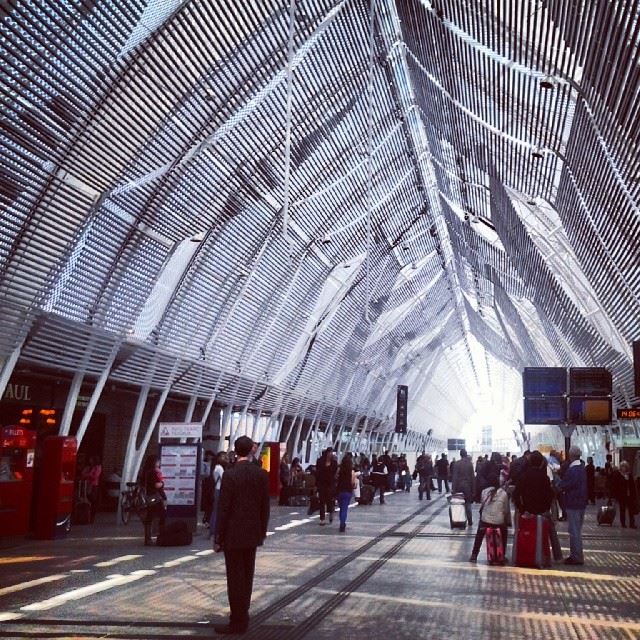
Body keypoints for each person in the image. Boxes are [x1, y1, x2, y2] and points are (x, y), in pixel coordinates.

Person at [214, 436, 270, 635]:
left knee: (234, 577)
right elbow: (265, 507)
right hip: (252, 535)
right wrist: (262, 532)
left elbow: (224, 509)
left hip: (233, 535)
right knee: (247, 576)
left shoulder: (230, 475)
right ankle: (243, 615)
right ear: (252, 450)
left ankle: (237, 620)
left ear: (236, 451)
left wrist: (218, 536)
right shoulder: (262, 475)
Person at [512, 450, 562, 562]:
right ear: (540, 463)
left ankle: (521, 554)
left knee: (520, 530)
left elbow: (516, 494)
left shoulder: (524, 476)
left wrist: (522, 508)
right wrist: (546, 507)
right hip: (542, 512)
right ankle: (557, 556)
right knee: (552, 531)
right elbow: (550, 495)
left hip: (528, 511)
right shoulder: (544, 478)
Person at [469, 474, 510, 563]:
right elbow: (506, 510)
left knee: (479, 535)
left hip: (485, 521)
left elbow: (482, 503)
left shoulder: (484, 492)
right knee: (504, 532)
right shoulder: (504, 494)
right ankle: (502, 555)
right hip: (499, 522)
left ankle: (474, 555)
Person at [558, 445, 588, 566]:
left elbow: (565, 484)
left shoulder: (573, 470)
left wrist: (558, 484)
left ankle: (576, 556)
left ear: (571, 455)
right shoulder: (582, 468)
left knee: (574, 531)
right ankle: (577, 555)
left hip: (573, 503)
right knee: (577, 530)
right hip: (581, 503)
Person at [141, 455, 166, 546]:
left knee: (150, 516)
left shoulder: (146, 472)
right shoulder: (153, 472)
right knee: (162, 515)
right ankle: (161, 537)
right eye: (157, 461)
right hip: (155, 497)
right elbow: (156, 485)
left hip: (149, 496)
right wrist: (162, 483)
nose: (159, 463)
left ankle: (148, 539)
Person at [451, 449, 474, 526]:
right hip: (467, 487)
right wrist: (474, 490)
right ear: (466, 454)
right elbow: (472, 478)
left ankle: (459, 521)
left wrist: (453, 488)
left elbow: (455, 477)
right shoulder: (470, 464)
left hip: (459, 487)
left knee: (459, 504)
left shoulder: (457, 464)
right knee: (468, 504)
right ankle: (470, 521)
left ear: (460, 455)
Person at [209, 451, 229, 539]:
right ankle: (214, 529)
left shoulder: (215, 467)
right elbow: (224, 479)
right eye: (224, 457)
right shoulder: (219, 468)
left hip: (216, 489)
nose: (226, 459)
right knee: (217, 511)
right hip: (219, 490)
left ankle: (212, 529)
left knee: (215, 510)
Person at [612, 461, 637, 528]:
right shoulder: (618, 474)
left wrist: (634, 495)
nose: (624, 468)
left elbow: (632, 485)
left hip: (629, 494)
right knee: (622, 509)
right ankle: (623, 523)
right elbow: (615, 485)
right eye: (623, 466)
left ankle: (632, 523)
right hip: (622, 495)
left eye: (625, 466)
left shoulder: (629, 474)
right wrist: (614, 495)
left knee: (631, 509)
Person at [336, 453, 357, 532]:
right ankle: (342, 523)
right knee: (345, 508)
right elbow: (353, 483)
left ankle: (341, 522)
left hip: (339, 491)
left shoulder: (339, 470)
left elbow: (336, 479)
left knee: (341, 508)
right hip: (347, 491)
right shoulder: (351, 472)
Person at [316, 448, 338, 524]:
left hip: (330, 484)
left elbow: (334, 473)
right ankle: (322, 519)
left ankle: (330, 512)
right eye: (329, 453)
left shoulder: (334, 463)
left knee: (330, 500)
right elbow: (317, 473)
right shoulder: (320, 461)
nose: (330, 454)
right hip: (322, 484)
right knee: (322, 501)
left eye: (331, 453)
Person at [80, 456, 102, 523]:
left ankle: (92, 516)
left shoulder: (97, 467)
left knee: (92, 500)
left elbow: (95, 476)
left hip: (93, 485)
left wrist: (87, 475)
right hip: (86, 485)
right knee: (85, 498)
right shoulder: (88, 467)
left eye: (91, 460)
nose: (90, 461)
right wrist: (87, 475)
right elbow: (83, 474)